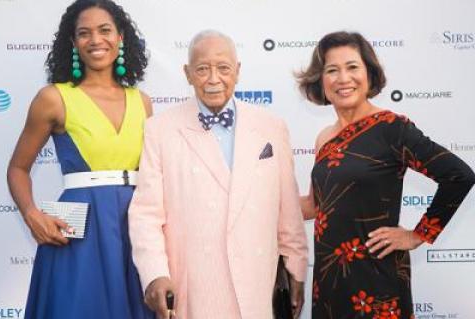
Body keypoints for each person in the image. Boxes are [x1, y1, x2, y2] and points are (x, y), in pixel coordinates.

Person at [128, 30, 309, 319]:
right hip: (195, 284)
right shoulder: (160, 129)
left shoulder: (271, 127)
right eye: (202, 69)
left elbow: (287, 207)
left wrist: (297, 268)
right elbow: (146, 214)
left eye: (223, 68)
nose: (213, 79)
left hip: (258, 281)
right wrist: (154, 274)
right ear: (187, 74)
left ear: (237, 72)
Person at [297, 31, 475, 319]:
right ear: (321, 80)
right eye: (332, 70)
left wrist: (419, 234)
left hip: (376, 280)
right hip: (331, 281)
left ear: (369, 72)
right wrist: (257, 199)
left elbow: (459, 176)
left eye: (352, 67)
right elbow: (317, 206)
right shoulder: (324, 138)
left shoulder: (392, 128)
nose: (343, 78)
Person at [6, 1, 155, 318]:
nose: (96, 40)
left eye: (105, 30)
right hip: (78, 230)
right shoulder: (53, 98)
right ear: (73, 43)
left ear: (121, 37)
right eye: (84, 33)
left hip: (136, 225)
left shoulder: (143, 102)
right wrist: (32, 213)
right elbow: (18, 168)